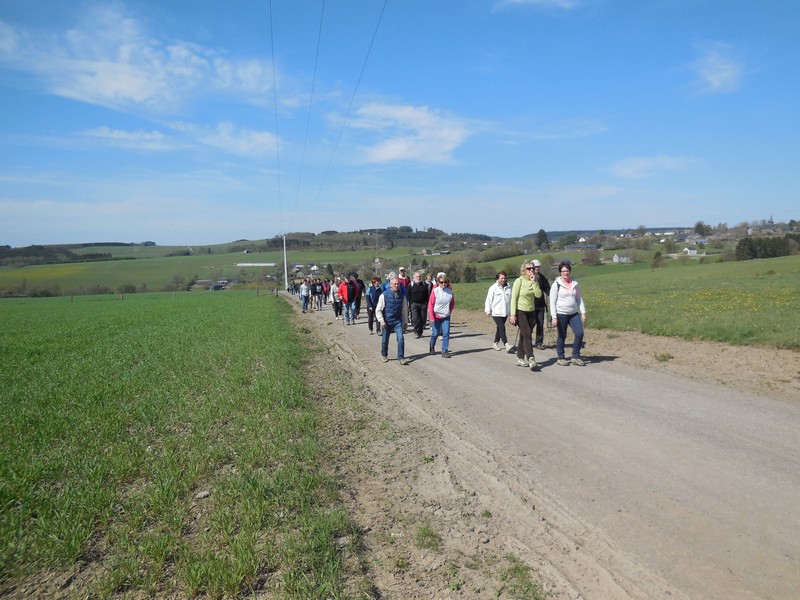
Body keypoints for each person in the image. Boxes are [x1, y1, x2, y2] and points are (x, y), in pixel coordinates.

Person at [550, 262, 587, 366]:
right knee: (562, 335)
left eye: (567, 270)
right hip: (561, 313)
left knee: (579, 333)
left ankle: (575, 356)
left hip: (574, 313)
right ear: (560, 272)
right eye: (563, 271)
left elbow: (579, 299)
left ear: (569, 271)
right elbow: (552, 302)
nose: (565, 273)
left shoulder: (574, 284)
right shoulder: (556, 285)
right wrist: (554, 317)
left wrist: (583, 312)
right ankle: (561, 357)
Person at [509, 261, 542, 371]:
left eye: (532, 268)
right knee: (527, 335)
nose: (531, 270)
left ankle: (520, 357)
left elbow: (538, 295)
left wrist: (534, 282)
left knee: (524, 335)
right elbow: (513, 298)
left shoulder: (534, 281)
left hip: (531, 311)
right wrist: (512, 314)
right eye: (528, 268)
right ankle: (531, 358)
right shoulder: (519, 281)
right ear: (523, 270)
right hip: (520, 311)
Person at [376, 277, 409, 365]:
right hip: (387, 321)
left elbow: (404, 310)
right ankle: (384, 355)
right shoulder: (384, 295)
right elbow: (378, 310)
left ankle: (401, 357)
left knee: (400, 338)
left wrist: (405, 321)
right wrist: (381, 320)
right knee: (385, 340)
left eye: (398, 284)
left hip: (397, 321)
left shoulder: (402, 296)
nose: (396, 285)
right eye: (395, 284)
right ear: (390, 285)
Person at [428, 274, 455, 358]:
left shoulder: (449, 292)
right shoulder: (435, 291)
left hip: (446, 316)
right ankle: (432, 346)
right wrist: (432, 317)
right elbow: (430, 305)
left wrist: (449, 311)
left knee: (446, 333)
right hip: (436, 316)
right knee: (435, 333)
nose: (443, 284)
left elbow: (452, 303)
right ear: (438, 283)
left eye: (445, 282)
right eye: (441, 282)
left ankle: (444, 350)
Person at [484, 271, 512, 351]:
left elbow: (511, 300)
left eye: (504, 278)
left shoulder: (509, 288)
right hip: (496, 312)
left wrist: (512, 312)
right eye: (501, 278)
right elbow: (489, 299)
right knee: (502, 327)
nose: (503, 280)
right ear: (498, 279)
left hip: (505, 312)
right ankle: (506, 344)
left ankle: (495, 343)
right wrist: (487, 310)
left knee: (499, 328)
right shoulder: (493, 288)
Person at [531, 260, 551, 350]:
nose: (537, 268)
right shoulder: (527, 278)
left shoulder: (541, 277)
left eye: (538, 266)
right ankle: (526, 341)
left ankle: (539, 342)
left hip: (541, 305)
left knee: (540, 323)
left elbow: (547, 288)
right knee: (531, 323)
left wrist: (553, 295)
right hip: (531, 305)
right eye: (535, 266)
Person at [407, 271, 430, 338]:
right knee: (415, 319)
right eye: (417, 276)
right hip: (414, 304)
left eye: (419, 276)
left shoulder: (424, 285)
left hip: (423, 304)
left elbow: (427, 295)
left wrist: (426, 302)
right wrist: (411, 302)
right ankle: (416, 332)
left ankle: (420, 332)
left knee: (423, 319)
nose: (418, 278)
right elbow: (407, 295)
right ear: (414, 277)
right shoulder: (411, 285)